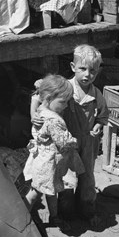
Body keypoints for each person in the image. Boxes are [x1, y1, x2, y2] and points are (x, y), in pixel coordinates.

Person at [31, 45, 109, 224]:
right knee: (66, 177)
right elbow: (37, 96)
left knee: (87, 176)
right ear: (73, 67)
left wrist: (98, 125)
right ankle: (65, 213)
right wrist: (34, 115)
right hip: (65, 142)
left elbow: (104, 115)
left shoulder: (96, 94)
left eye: (93, 71)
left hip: (88, 141)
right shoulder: (64, 88)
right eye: (83, 69)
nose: (87, 74)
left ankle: (87, 211)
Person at [24, 74, 85, 228]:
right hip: (47, 163)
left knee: (51, 189)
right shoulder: (52, 120)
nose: (65, 106)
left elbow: (38, 93)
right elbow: (63, 142)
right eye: (63, 102)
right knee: (35, 192)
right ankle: (21, 220)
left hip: (44, 159)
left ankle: (54, 216)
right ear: (49, 98)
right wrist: (75, 141)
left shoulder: (41, 110)